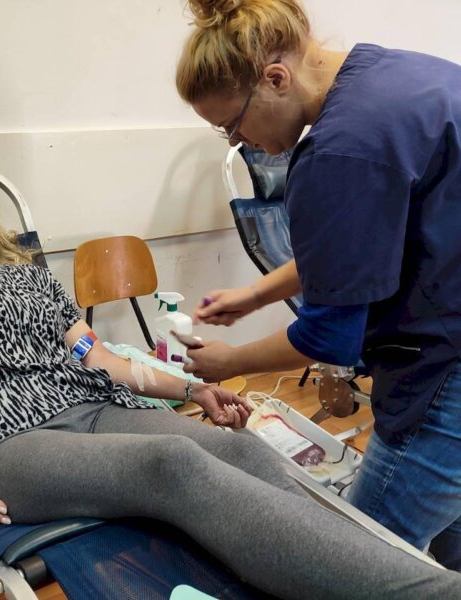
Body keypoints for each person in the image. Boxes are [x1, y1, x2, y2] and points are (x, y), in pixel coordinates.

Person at [0, 159, 461, 599]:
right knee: (172, 463)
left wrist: (193, 389)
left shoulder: (30, 279)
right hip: (9, 445)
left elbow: (100, 359)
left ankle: (336, 571)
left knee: (241, 448)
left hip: (94, 407)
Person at [175, 0, 461, 570]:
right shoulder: (399, 75)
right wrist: (256, 295)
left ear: (275, 79)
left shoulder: (338, 151)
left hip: (447, 368)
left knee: (356, 563)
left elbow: (329, 338)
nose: (240, 143)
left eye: (232, 127)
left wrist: (230, 362)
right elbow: (362, 238)